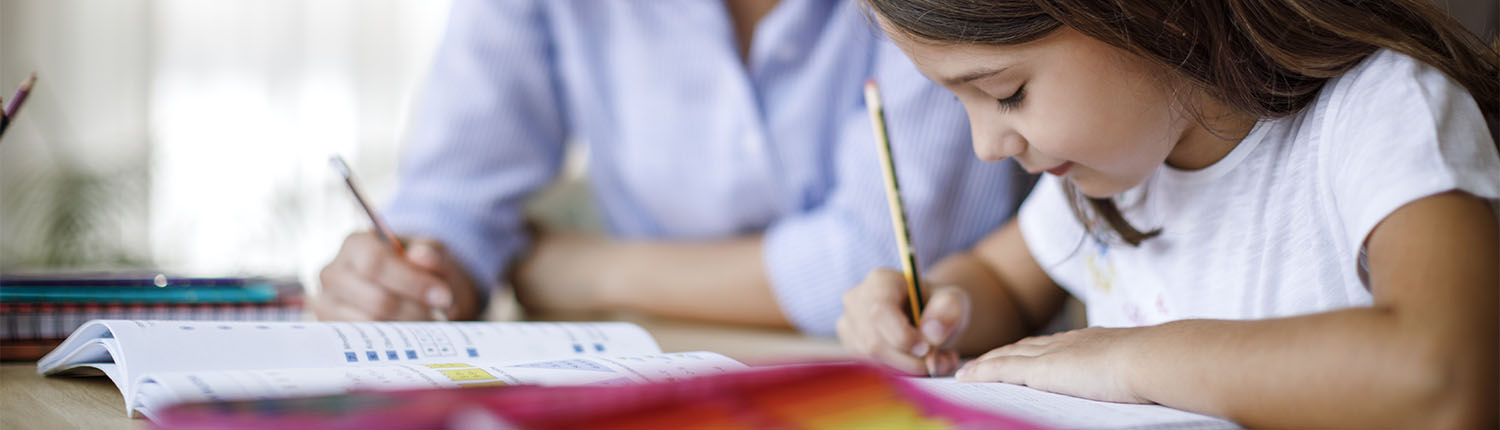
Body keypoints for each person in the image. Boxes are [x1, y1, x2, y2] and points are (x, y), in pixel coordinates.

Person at [837, 0, 1498, 427]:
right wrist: (931, 309)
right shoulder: (1113, 177)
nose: (988, 147)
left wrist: (1127, 361)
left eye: (1007, 93)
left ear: (1158, 14)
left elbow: (1446, 376)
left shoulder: (1384, 114)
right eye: (960, 103)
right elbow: (1000, 279)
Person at [312, 0, 1032, 336]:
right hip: (641, 356)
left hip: (873, 372)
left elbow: (895, 266)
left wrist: (591, 272)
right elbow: (455, 198)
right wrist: (418, 271)